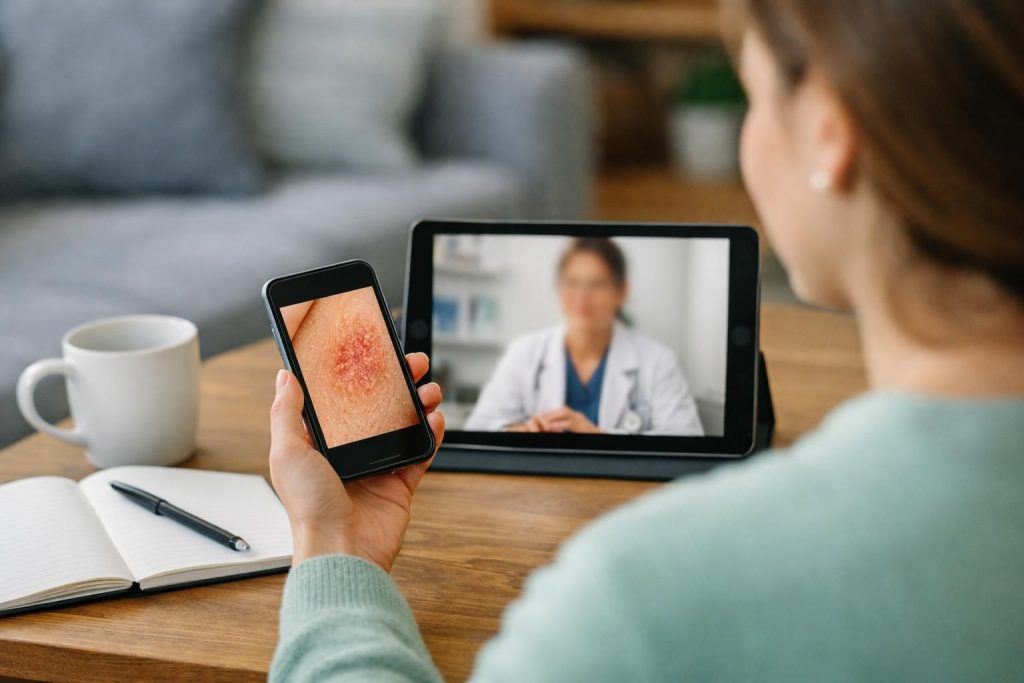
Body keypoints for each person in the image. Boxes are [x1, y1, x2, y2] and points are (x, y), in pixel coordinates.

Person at [268, 0, 1024, 679]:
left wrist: (337, 551)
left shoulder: (637, 602)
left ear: (830, 134)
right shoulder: (533, 361)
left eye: (755, 94)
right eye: (573, 285)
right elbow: (487, 423)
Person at [465, 237, 704, 435]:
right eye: (572, 283)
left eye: (597, 284)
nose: (582, 296)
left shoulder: (659, 361)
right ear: (559, 289)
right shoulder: (524, 352)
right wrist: (521, 432)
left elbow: (688, 439)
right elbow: (477, 428)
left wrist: (599, 437)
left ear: (622, 291)